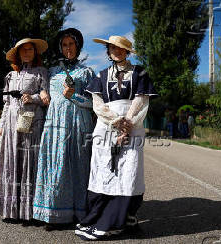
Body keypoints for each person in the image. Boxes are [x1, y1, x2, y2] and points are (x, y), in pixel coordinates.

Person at [75, 35, 157, 241]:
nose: (116, 51)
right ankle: (97, 218)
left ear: (127, 51)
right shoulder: (101, 76)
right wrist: (116, 122)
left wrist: (127, 126)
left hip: (133, 127)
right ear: (108, 50)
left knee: (128, 173)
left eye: (120, 48)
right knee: (104, 171)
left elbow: (141, 101)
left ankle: (116, 221)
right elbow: (97, 105)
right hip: (105, 127)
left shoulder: (140, 72)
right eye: (112, 47)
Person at [33, 28, 96, 230]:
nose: (68, 48)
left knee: (78, 165)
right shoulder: (52, 71)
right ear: (61, 48)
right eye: (64, 45)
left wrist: (74, 96)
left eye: (72, 44)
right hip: (55, 123)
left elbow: (94, 103)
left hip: (79, 122)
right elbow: (39, 88)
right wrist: (43, 92)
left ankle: (79, 213)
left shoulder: (87, 72)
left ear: (78, 46)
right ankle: (53, 213)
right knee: (55, 165)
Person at [0, 38, 49, 224]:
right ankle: (11, 210)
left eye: (30, 50)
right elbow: (7, 104)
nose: (27, 53)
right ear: (18, 54)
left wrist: (32, 97)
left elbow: (46, 98)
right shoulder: (10, 76)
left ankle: (31, 210)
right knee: (12, 163)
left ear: (35, 52)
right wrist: (1, 126)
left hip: (32, 124)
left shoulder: (41, 72)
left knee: (29, 163)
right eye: (23, 50)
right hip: (11, 125)